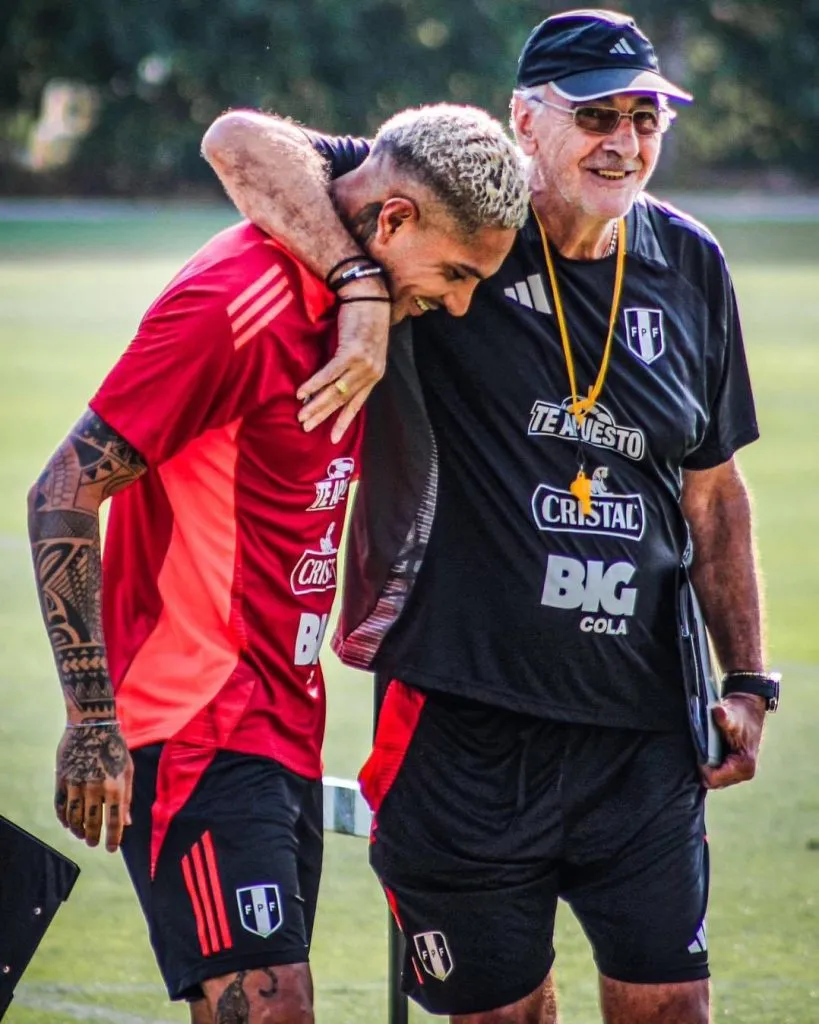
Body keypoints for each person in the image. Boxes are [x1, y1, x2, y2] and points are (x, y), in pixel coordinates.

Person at [201, 9, 780, 1023]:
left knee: (674, 1007)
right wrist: (361, 288)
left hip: (640, 731)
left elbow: (714, 493)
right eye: (596, 115)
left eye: (647, 118)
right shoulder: (451, 223)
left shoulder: (692, 266)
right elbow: (241, 141)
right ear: (525, 121)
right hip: (456, 722)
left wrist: (749, 680)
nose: (626, 140)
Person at [26, 103, 527, 1024]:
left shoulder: (351, 272)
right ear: (394, 220)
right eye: (455, 275)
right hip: (192, 722)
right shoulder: (234, 303)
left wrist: (366, 293)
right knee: (272, 1006)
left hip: (281, 723)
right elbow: (62, 488)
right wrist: (91, 717)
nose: (457, 304)